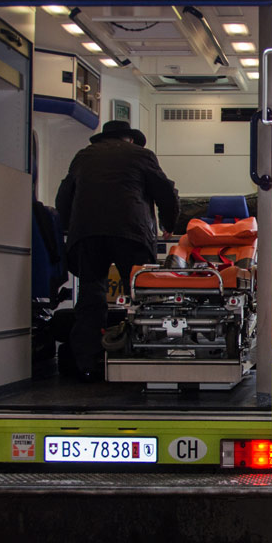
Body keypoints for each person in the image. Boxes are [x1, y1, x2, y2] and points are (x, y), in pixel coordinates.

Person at [55, 120, 179, 381]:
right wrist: (169, 224)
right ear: (130, 139)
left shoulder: (83, 156)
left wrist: (68, 228)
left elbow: (64, 194)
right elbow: (164, 190)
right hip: (130, 233)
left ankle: (87, 365)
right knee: (142, 296)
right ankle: (145, 359)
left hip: (87, 234)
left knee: (91, 297)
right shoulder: (141, 155)